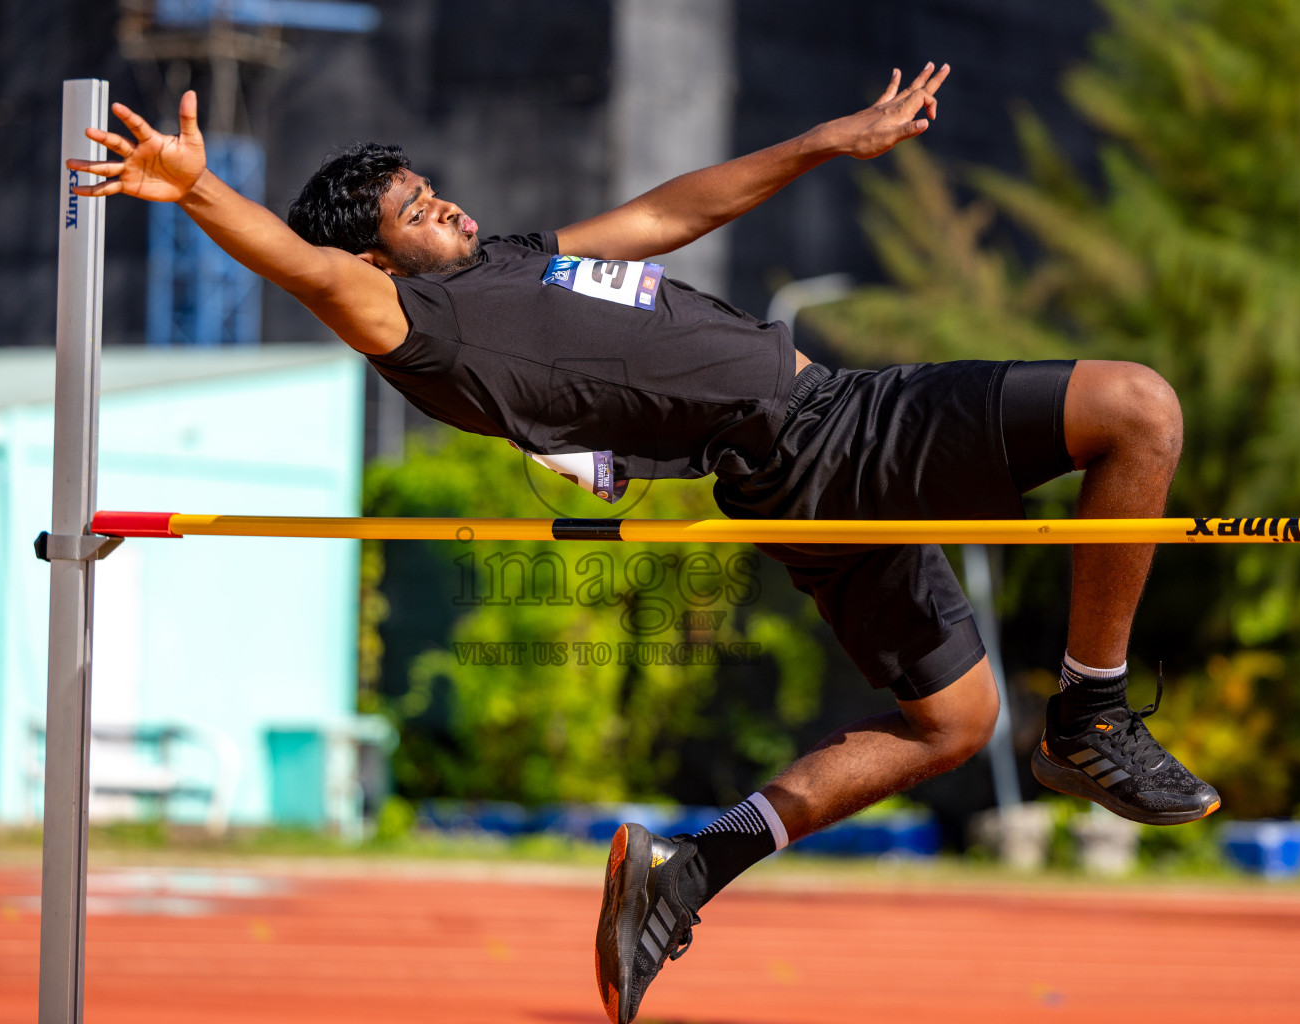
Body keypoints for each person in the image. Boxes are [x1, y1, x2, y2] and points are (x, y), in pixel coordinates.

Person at [71, 62, 1219, 1024]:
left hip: (804, 467)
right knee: (1137, 409)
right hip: (831, 437)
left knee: (954, 723)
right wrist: (205, 190)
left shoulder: (511, 258)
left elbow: (676, 214)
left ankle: (687, 873)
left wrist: (826, 139)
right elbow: (304, 265)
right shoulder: (412, 325)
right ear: (380, 266)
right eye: (416, 214)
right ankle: (1091, 713)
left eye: (434, 191)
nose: (447, 210)